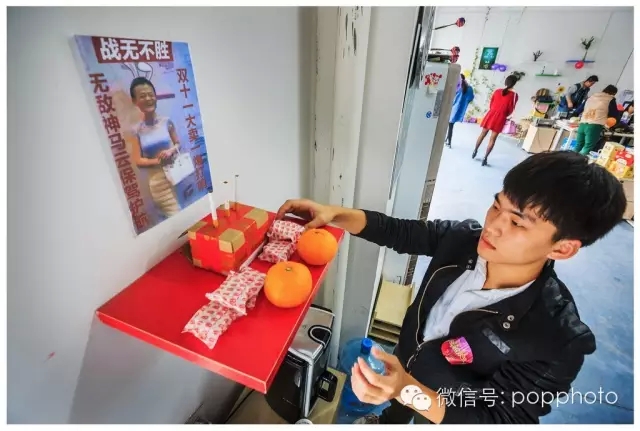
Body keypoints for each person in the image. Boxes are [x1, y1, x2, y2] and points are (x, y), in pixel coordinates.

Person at [276, 151, 626, 424]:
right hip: (408, 363)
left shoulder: (556, 338)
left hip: (451, 408)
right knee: (394, 410)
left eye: (517, 223)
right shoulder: (463, 241)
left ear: (562, 248)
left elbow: (500, 420)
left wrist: (409, 391)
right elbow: (402, 232)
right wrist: (334, 214)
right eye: (496, 206)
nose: (493, 226)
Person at [129, 77, 182, 218]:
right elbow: (138, 161)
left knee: (189, 216)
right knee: (176, 216)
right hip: (159, 184)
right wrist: (158, 161)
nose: (148, 99)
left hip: (177, 176)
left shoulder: (167, 121)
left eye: (150, 94)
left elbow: (178, 144)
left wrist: (170, 151)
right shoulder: (136, 130)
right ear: (134, 101)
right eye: (142, 96)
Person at [472, 75, 519, 166]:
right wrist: (503, 114)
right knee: (492, 139)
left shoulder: (497, 91)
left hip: (491, 114)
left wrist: (494, 110)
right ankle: (485, 158)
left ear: (506, 82)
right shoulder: (514, 96)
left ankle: (475, 150)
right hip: (501, 117)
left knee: (482, 134)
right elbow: (511, 109)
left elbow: (491, 103)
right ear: (514, 84)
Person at [574, 84, 619, 156]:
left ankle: (569, 160)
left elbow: (579, 109)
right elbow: (614, 114)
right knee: (587, 147)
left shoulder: (592, 96)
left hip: (582, 124)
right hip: (594, 126)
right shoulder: (610, 99)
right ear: (613, 93)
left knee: (578, 145)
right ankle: (579, 162)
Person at [445, 74, 474, 148]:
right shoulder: (469, 88)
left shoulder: (457, 87)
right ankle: (447, 139)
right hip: (460, 110)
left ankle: (449, 142)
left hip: (452, 109)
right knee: (451, 125)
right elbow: (470, 98)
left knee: (450, 126)